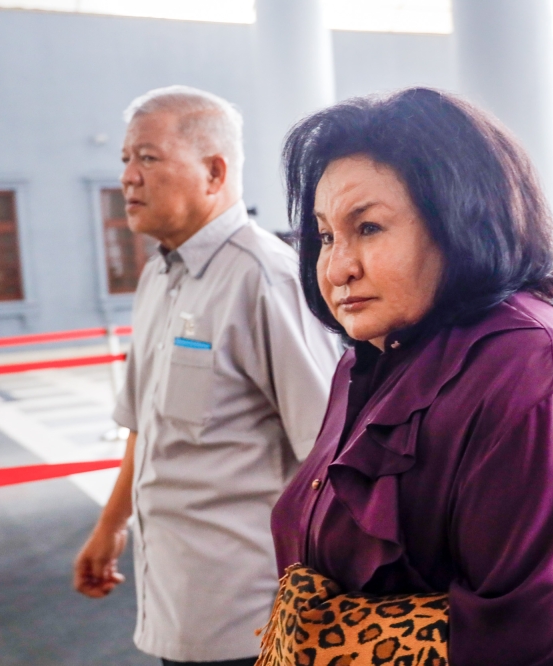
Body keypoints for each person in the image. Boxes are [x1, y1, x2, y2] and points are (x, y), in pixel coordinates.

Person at [268, 87, 553, 665]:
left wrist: (339, 645)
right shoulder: (381, 353)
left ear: (461, 221)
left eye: (369, 228)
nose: (337, 266)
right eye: (327, 235)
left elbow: (546, 637)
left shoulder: (535, 382)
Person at [72, 86, 341, 666]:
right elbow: (144, 425)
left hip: (256, 615)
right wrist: (110, 526)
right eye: (124, 160)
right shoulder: (158, 278)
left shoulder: (264, 280)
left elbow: (328, 456)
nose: (128, 178)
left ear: (214, 172)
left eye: (148, 158)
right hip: (178, 604)